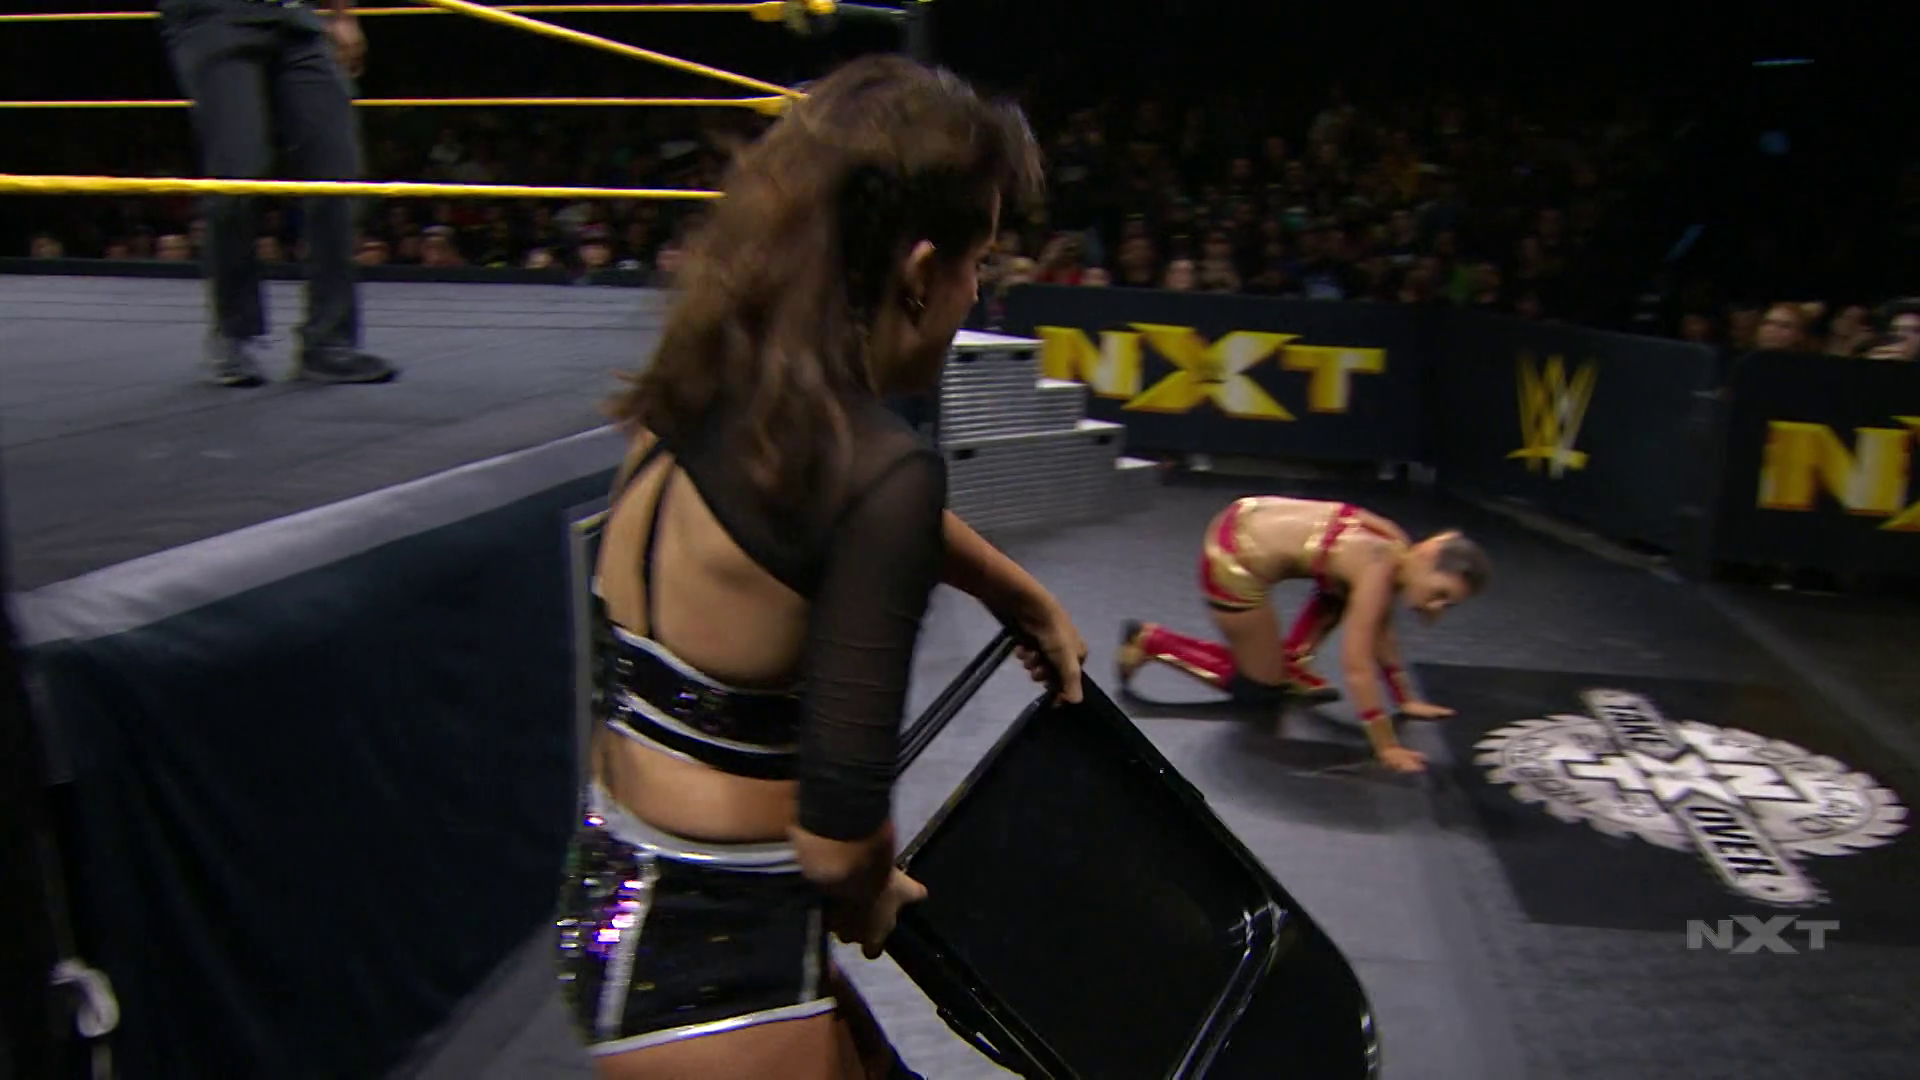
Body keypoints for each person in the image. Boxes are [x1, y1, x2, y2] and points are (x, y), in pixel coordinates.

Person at [552, 56, 1085, 1080]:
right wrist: (875, 889)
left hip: (613, 892)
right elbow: (838, 849)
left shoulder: (706, 385)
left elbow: (811, 514)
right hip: (723, 966)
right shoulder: (885, 476)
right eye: (978, 262)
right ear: (919, 269)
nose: (977, 291)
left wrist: (1014, 592)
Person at [1118, 497, 1490, 774]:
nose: (1436, 608)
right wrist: (1386, 745)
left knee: (1341, 594)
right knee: (1261, 688)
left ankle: (1292, 663)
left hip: (1251, 515)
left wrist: (1405, 700)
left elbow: (1382, 630)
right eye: (1440, 593)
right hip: (1233, 558)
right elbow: (1357, 664)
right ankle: (1152, 641)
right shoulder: (1377, 567)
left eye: (1448, 605)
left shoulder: (1397, 543)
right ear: (1428, 556)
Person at [158, 0, 396, 387]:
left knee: (336, 172)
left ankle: (329, 342)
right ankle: (234, 333)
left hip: (294, 17)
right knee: (238, 173)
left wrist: (341, 14)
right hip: (215, 17)